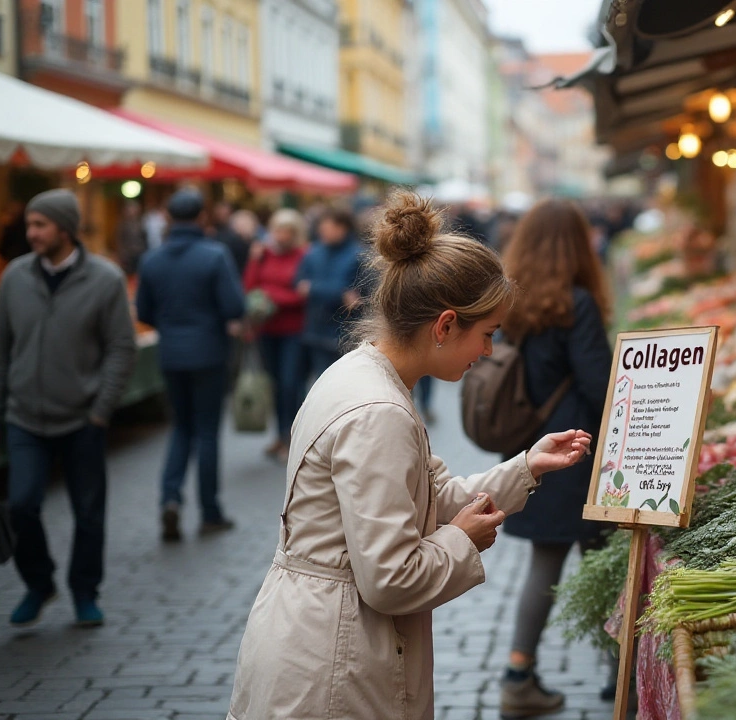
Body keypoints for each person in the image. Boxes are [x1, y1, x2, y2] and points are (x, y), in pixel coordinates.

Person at [227, 190, 593, 720]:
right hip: (336, 661)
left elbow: (432, 494)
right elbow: (391, 578)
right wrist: (462, 540)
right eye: (486, 335)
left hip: (320, 638)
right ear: (445, 326)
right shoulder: (380, 411)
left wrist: (527, 466)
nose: (488, 352)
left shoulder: (365, 374)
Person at [0, 189, 136, 627]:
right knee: (23, 505)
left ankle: (85, 592)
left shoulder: (104, 279)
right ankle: (38, 582)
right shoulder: (15, 277)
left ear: (64, 229)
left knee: (88, 514)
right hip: (24, 417)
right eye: (29, 224)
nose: (30, 233)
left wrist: (100, 411)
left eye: (39, 225)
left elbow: (121, 349)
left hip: (83, 417)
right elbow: (1, 353)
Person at [497, 199, 613, 717]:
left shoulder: (512, 304)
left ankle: (517, 675)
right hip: (579, 452)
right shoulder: (577, 302)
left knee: (544, 566)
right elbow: (600, 385)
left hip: (532, 452)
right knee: (605, 563)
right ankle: (620, 670)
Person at [135, 189, 245, 542]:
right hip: (209, 353)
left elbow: (143, 313)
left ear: (168, 218)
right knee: (207, 432)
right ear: (202, 217)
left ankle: (170, 498)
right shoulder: (214, 255)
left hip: (171, 354)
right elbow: (234, 307)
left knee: (180, 429)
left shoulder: (152, 259)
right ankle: (210, 511)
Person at [243, 209, 309, 463]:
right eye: (276, 230)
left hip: (294, 330)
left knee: (290, 383)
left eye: (285, 231)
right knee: (274, 385)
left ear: (294, 234)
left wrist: (272, 295)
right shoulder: (263, 254)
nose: (278, 236)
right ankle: (281, 436)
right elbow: (249, 290)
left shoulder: (303, 256)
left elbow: (303, 296)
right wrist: (253, 261)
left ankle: (295, 436)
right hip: (266, 330)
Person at [295, 207, 363, 379]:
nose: (321, 232)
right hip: (315, 330)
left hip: (343, 333)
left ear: (342, 228)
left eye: (326, 228)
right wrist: (338, 293)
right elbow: (298, 282)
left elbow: (353, 293)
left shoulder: (357, 255)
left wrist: (313, 288)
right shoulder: (314, 252)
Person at [211, 201, 252, 276]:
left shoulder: (239, 239)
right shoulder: (213, 233)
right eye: (219, 213)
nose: (222, 216)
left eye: (225, 213)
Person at [114, 200, 148, 275]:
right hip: (128, 255)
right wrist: (122, 254)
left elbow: (145, 239)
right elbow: (120, 240)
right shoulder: (123, 225)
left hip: (140, 253)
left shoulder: (141, 223)